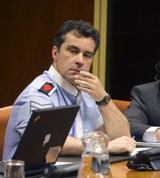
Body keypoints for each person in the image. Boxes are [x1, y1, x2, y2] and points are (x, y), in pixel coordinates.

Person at [3, 20, 135, 160]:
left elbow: (122, 139)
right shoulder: (38, 94)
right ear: (55, 53)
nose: (80, 61)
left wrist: (103, 99)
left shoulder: (88, 93)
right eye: (73, 51)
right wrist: (102, 146)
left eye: (87, 55)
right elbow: (47, 142)